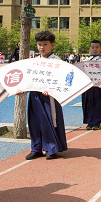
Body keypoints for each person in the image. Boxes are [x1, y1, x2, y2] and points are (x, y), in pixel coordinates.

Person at [25, 31, 68, 160]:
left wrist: (51, 89)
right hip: (35, 95)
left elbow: (61, 79)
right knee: (34, 121)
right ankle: (36, 148)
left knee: (50, 121)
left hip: (50, 97)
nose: (42, 47)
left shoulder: (57, 61)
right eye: (39, 44)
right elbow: (29, 78)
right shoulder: (34, 61)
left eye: (45, 44)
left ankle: (51, 148)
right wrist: (22, 89)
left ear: (52, 45)